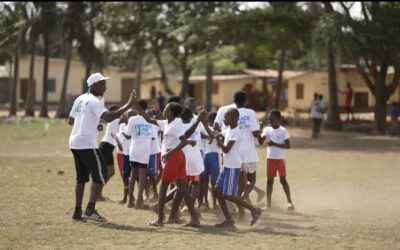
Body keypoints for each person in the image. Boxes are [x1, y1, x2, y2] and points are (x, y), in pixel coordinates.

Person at [69, 72, 135, 222]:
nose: (104, 87)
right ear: (92, 85)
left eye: (105, 84)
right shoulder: (94, 101)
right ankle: (90, 209)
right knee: (102, 173)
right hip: (87, 143)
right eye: (101, 84)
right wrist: (128, 105)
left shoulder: (79, 99)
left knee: (81, 178)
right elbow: (110, 117)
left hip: (74, 141)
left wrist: (87, 120)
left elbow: (70, 121)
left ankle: (77, 212)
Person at [135, 98, 204, 227]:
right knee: (183, 189)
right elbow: (149, 120)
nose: (163, 109)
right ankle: (195, 219)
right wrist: (137, 107)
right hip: (177, 156)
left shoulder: (174, 125)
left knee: (163, 188)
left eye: (166, 108)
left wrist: (169, 153)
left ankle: (160, 220)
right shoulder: (170, 122)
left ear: (170, 112)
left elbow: (183, 141)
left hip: (173, 157)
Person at [214, 91, 264, 220]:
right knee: (249, 180)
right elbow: (255, 133)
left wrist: (221, 136)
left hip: (231, 153)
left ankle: (241, 208)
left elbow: (215, 127)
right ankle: (242, 206)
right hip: (246, 151)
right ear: (245, 101)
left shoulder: (223, 109)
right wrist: (260, 128)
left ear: (233, 100)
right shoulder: (250, 113)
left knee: (234, 183)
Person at [258, 109, 294, 210]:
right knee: (269, 181)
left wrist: (274, 144)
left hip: (280, 159)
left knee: (283, 180)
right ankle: (269, 205)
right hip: (270, 158)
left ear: (278, 119)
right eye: (269, 119)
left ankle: (290, 202)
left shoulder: (283, 131)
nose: (270, 121)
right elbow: (260, 142)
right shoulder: (267, 129)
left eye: (272, 119)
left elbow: (288, 146)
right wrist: (260, 129)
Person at [123, 99, 153, 209]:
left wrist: (126, 122)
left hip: (134, 150)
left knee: (133, 176)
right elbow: (153, 136)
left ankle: (130, 200)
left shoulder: (133, 119)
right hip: (144, 151)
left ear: (137, 108)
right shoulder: (150, 120)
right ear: (146, 108)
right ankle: (139, 201)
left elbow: (126, 134)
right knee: (142, 176)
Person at [98, 104, 121, 201]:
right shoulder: (116, 120)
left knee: (108, 172)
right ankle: (98, 193)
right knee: (110, 172)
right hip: (106, 147)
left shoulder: (113, 121)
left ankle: (98, 193)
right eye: (119, 111)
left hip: (105, 147)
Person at [203, 112, 220, 209]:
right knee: (214, 181)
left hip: (205, 155)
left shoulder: (204, 129)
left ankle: (205, 202)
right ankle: (214, 203)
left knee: (205, 181)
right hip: (213, 155)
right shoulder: (215, 130)